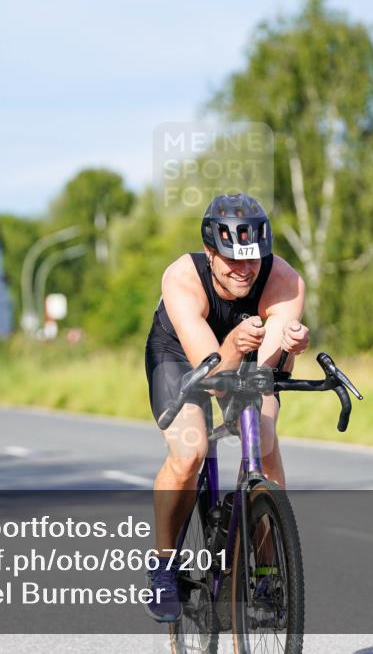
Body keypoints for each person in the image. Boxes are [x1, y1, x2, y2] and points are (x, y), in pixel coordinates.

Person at [143, 193, 311, 622]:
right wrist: (235, 343)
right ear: (209, 253)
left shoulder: (285, 281)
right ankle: (164, 565)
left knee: (266, 439)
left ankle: (269, 570)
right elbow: (212, 373)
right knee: (190, 450)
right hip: (180, 355)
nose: (243, 270)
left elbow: (267, 370)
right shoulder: (182, 278)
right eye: (231, 260)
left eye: (252, 260)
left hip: (244, 350)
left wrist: (288, 350)